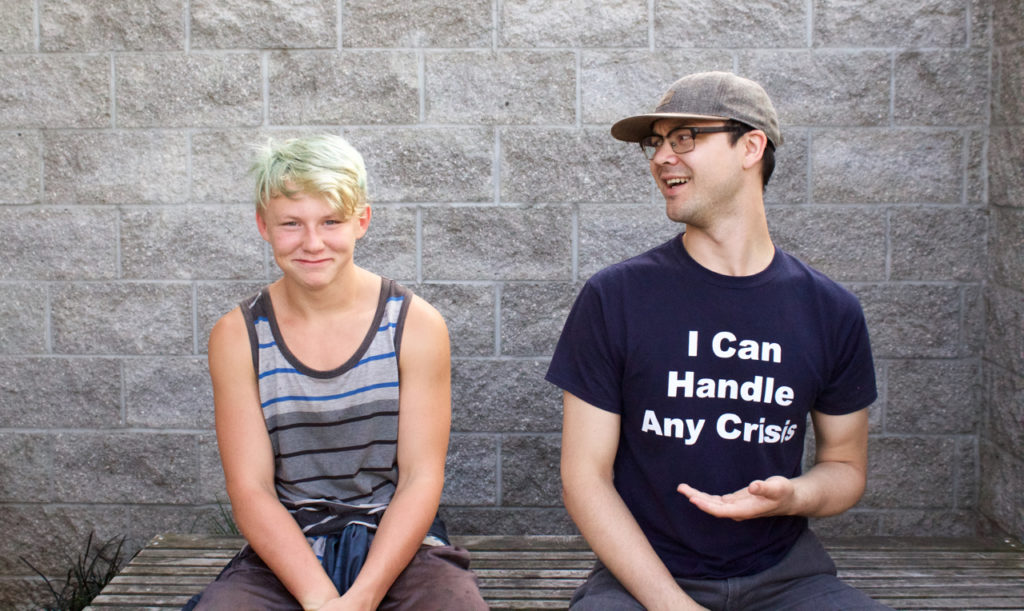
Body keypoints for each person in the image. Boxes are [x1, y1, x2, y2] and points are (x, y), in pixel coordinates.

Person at [546, 72, 890, 610]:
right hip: (644, 580)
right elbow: (583, 478)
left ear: (751, 145)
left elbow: (845, 466)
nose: (662, 157)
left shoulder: (830, 310)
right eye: (655, 142)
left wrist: (792, 496)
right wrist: (670, 604)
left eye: (685, 137)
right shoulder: (616, 297)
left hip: (788, 579)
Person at [189, 134, 488, 611]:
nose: (312, 243)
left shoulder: (414, 325)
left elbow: (419, 478)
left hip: (398, 544)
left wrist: (363, 597)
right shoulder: (238, 335)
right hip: (287, 548)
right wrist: (320, 598)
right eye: (291, 224)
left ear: (361, 221)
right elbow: (252, 488)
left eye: (331, 221)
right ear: (263, 225)